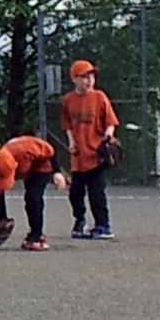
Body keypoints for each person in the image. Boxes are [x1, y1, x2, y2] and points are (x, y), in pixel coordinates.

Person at [57, 59, 119, 239]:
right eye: (84, 77)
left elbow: (111, 122)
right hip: (78, 156)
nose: (89, 80)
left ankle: (103, 225)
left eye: (91, 76)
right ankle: (80, 222)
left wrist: (108, 138)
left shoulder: (99, 97)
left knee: (96, 193)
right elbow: (67, 124)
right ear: (74, 79)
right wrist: (71, 141)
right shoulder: (69, 100)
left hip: (95, 155)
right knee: (75, 193)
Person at [0, 133, 64, 251]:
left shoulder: (26, 148)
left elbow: (50, 151)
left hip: (42, 165)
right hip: (27, 167)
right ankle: (35, 233)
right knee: (29, 200)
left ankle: (37, 235)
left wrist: (57, 172)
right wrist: (2, 218)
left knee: (33, 198)